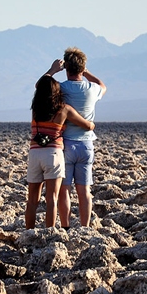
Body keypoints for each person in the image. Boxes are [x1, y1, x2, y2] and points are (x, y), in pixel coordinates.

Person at [43, 48, 106, 228]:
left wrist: (53, 70)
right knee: (84, 191)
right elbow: (103, 85)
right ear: (82, 68)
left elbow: (41, 86)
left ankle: (66, 226)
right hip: (86, 145)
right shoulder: (91, 89)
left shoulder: (61, 88)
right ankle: (85, 227)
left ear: (67, 68)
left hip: (66, 144)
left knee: (65, 191)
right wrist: (86, 72)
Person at [25, 73, 95, 229]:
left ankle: (28, 234)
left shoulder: (35, 109)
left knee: (32, 200)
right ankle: (49, 233)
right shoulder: (64, 110)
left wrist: (52, 70)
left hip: (35, 153)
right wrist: (92, 124)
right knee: (52, 199)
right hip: (53, 154)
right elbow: (87, 125)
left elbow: (40, 85)